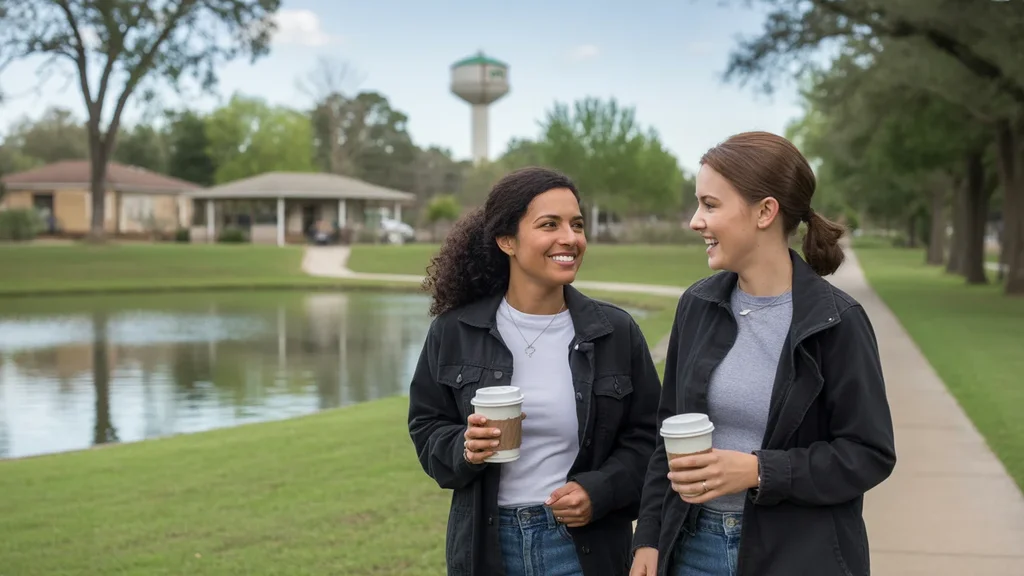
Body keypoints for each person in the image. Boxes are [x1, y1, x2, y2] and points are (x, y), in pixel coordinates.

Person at [630, 131, 897, 576]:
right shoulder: (697, 306)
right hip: (692, 549)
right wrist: (649, 537)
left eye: (710, 205)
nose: (696, 221)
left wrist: (759, 471)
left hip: (798, 557)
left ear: (765, 211)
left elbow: (868, 454)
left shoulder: (837, 322)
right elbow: (667, 435)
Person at [408, 166, 662, 576]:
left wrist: (598, 491)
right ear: (507, 240)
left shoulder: (614, 332)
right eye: (549, 225)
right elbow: (427, 427)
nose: (570, 238)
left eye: (576, 224)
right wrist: (466, 448)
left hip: (583, 550)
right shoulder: (455, 331)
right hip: (487, 550)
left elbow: (648, 439)